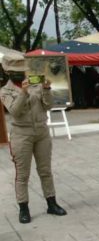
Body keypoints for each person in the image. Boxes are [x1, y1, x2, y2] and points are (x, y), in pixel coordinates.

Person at [0, 54, 67, 224]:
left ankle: (51, 203)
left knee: (45, 170)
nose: (20, 74)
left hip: (41, 132)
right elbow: (14, 111)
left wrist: (46, 90)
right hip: (21, 135)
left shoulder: (35, 83)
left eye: (22, 70)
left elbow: (48, 106)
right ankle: (23, 208)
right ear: (8, 73)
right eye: (15, 72)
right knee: (23, 174)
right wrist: (23, 92)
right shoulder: (4, 90)